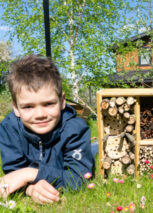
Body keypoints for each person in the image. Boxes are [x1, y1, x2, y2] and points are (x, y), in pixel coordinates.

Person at [0, 54, 95, 204]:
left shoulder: (76, 129)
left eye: (48, 104)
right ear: (16, 108)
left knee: (95, 151)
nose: (40, 115)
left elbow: (80, 179)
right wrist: (30, 189)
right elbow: (13, 174)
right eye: (28, 107)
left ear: (62, 101)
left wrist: (29, 174)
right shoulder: (8, 128)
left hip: (84, 151)